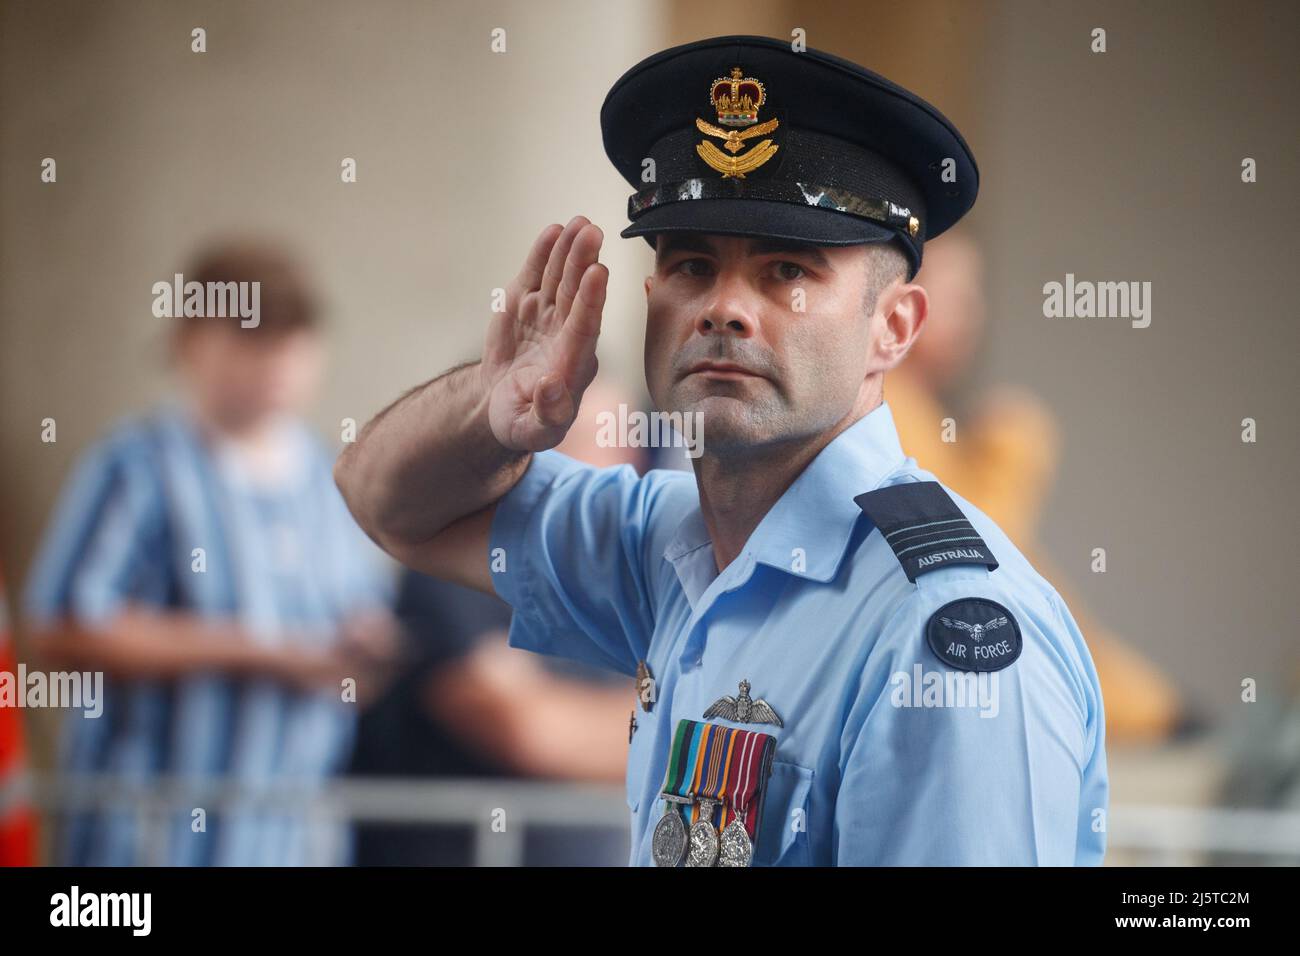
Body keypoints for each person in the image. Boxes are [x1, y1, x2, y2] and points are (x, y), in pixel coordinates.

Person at [335, 35, 1108, 866]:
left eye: (787, 272)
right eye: (693, 264)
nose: (725, 308)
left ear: (894, 327)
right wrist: (489, 411)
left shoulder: (942, 633)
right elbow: (386, 502)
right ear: (650, 297)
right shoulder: (671, 544)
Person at [25, 239, 394, 866]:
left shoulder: (332, 480)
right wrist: (260, 653)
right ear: (191, 341)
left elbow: (362, 641)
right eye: (252, 338)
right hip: (144, 846)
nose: (276, 360)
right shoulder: (136, 467)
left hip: (286, 842)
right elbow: (61, 628)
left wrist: (368, 649)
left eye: (292, 339)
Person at [888, 229, 1184, 743]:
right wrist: (1014, 449)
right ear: (898, 308)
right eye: (952, 295)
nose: (972, 315)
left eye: (972, 296)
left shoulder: (923, 411)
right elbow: (981, 561)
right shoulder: (892, 406)